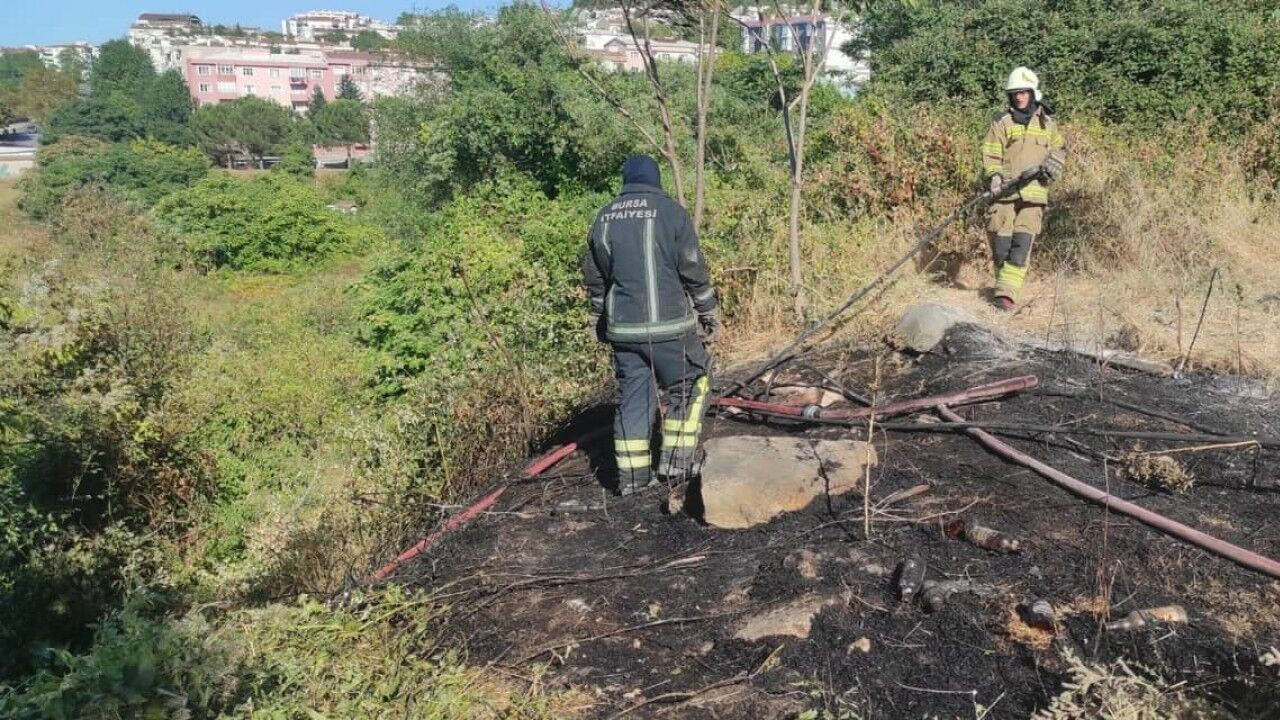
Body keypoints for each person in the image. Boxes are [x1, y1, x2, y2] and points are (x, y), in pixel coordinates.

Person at [582, 155, 722, 496]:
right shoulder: (671, 212)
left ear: (626, 180)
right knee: (692, 384)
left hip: (624, 331)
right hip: (670, 328)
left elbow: (595, 276)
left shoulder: (604, 217)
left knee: (634, 397)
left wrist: (598, 317)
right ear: (656, 179)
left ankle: (633, 479)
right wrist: (708, 310)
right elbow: (692, 267)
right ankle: (676, 464)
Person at [981, 66, 1067, 311]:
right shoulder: (1002, 122)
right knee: (1002, 246)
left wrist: (1055, 164)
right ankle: (1003, 285)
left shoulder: (1047, 124)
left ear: (1032, 93)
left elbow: (1059, 149)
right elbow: (991, 152)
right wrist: (995, 177)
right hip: (1005, 194)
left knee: (1021, 246)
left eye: (1023, 92)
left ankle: (1005, 296)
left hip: (1034, 194)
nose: (1018, 97)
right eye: (1014, 93)